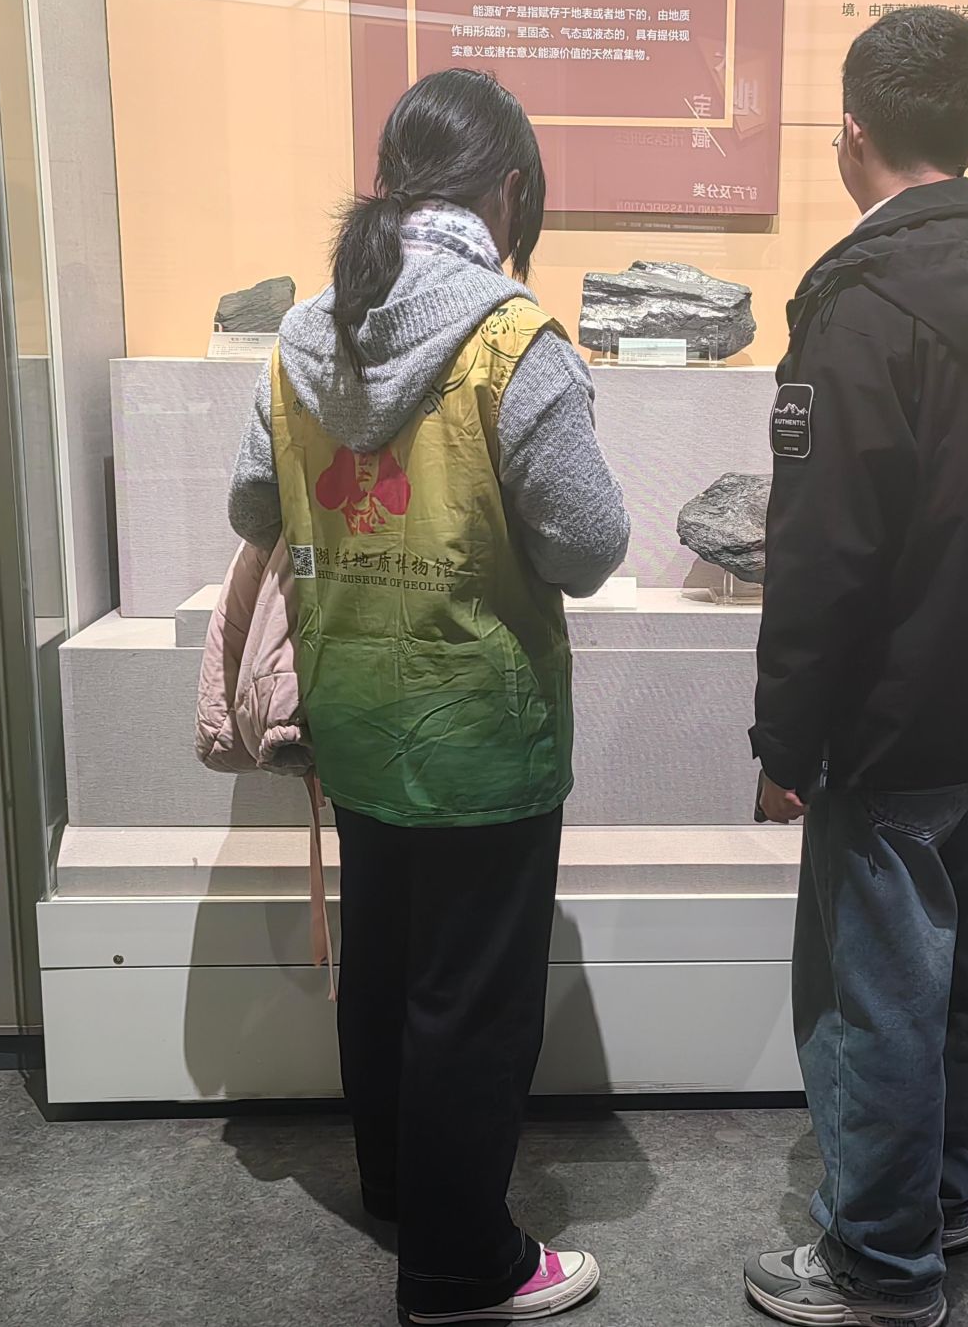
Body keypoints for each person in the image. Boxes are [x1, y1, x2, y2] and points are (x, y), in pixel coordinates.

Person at [227, 68, 630, 1325]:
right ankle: (461, 1267)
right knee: (472, 996)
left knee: (387, 964)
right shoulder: (513, 340)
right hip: (478, 728)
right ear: (507, 188)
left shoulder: (303, 333)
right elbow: (587, 544)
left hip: (352, 711)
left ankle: (401, 1187)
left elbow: (250, 503)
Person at [742, 7, 968, 1327]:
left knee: (873, 991)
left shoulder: (860, 303)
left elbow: (823, 551)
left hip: (890, 715)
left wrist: (786, 743)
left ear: (852, 129)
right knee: (967, 968)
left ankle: (880, 1267)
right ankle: (938, 1201)